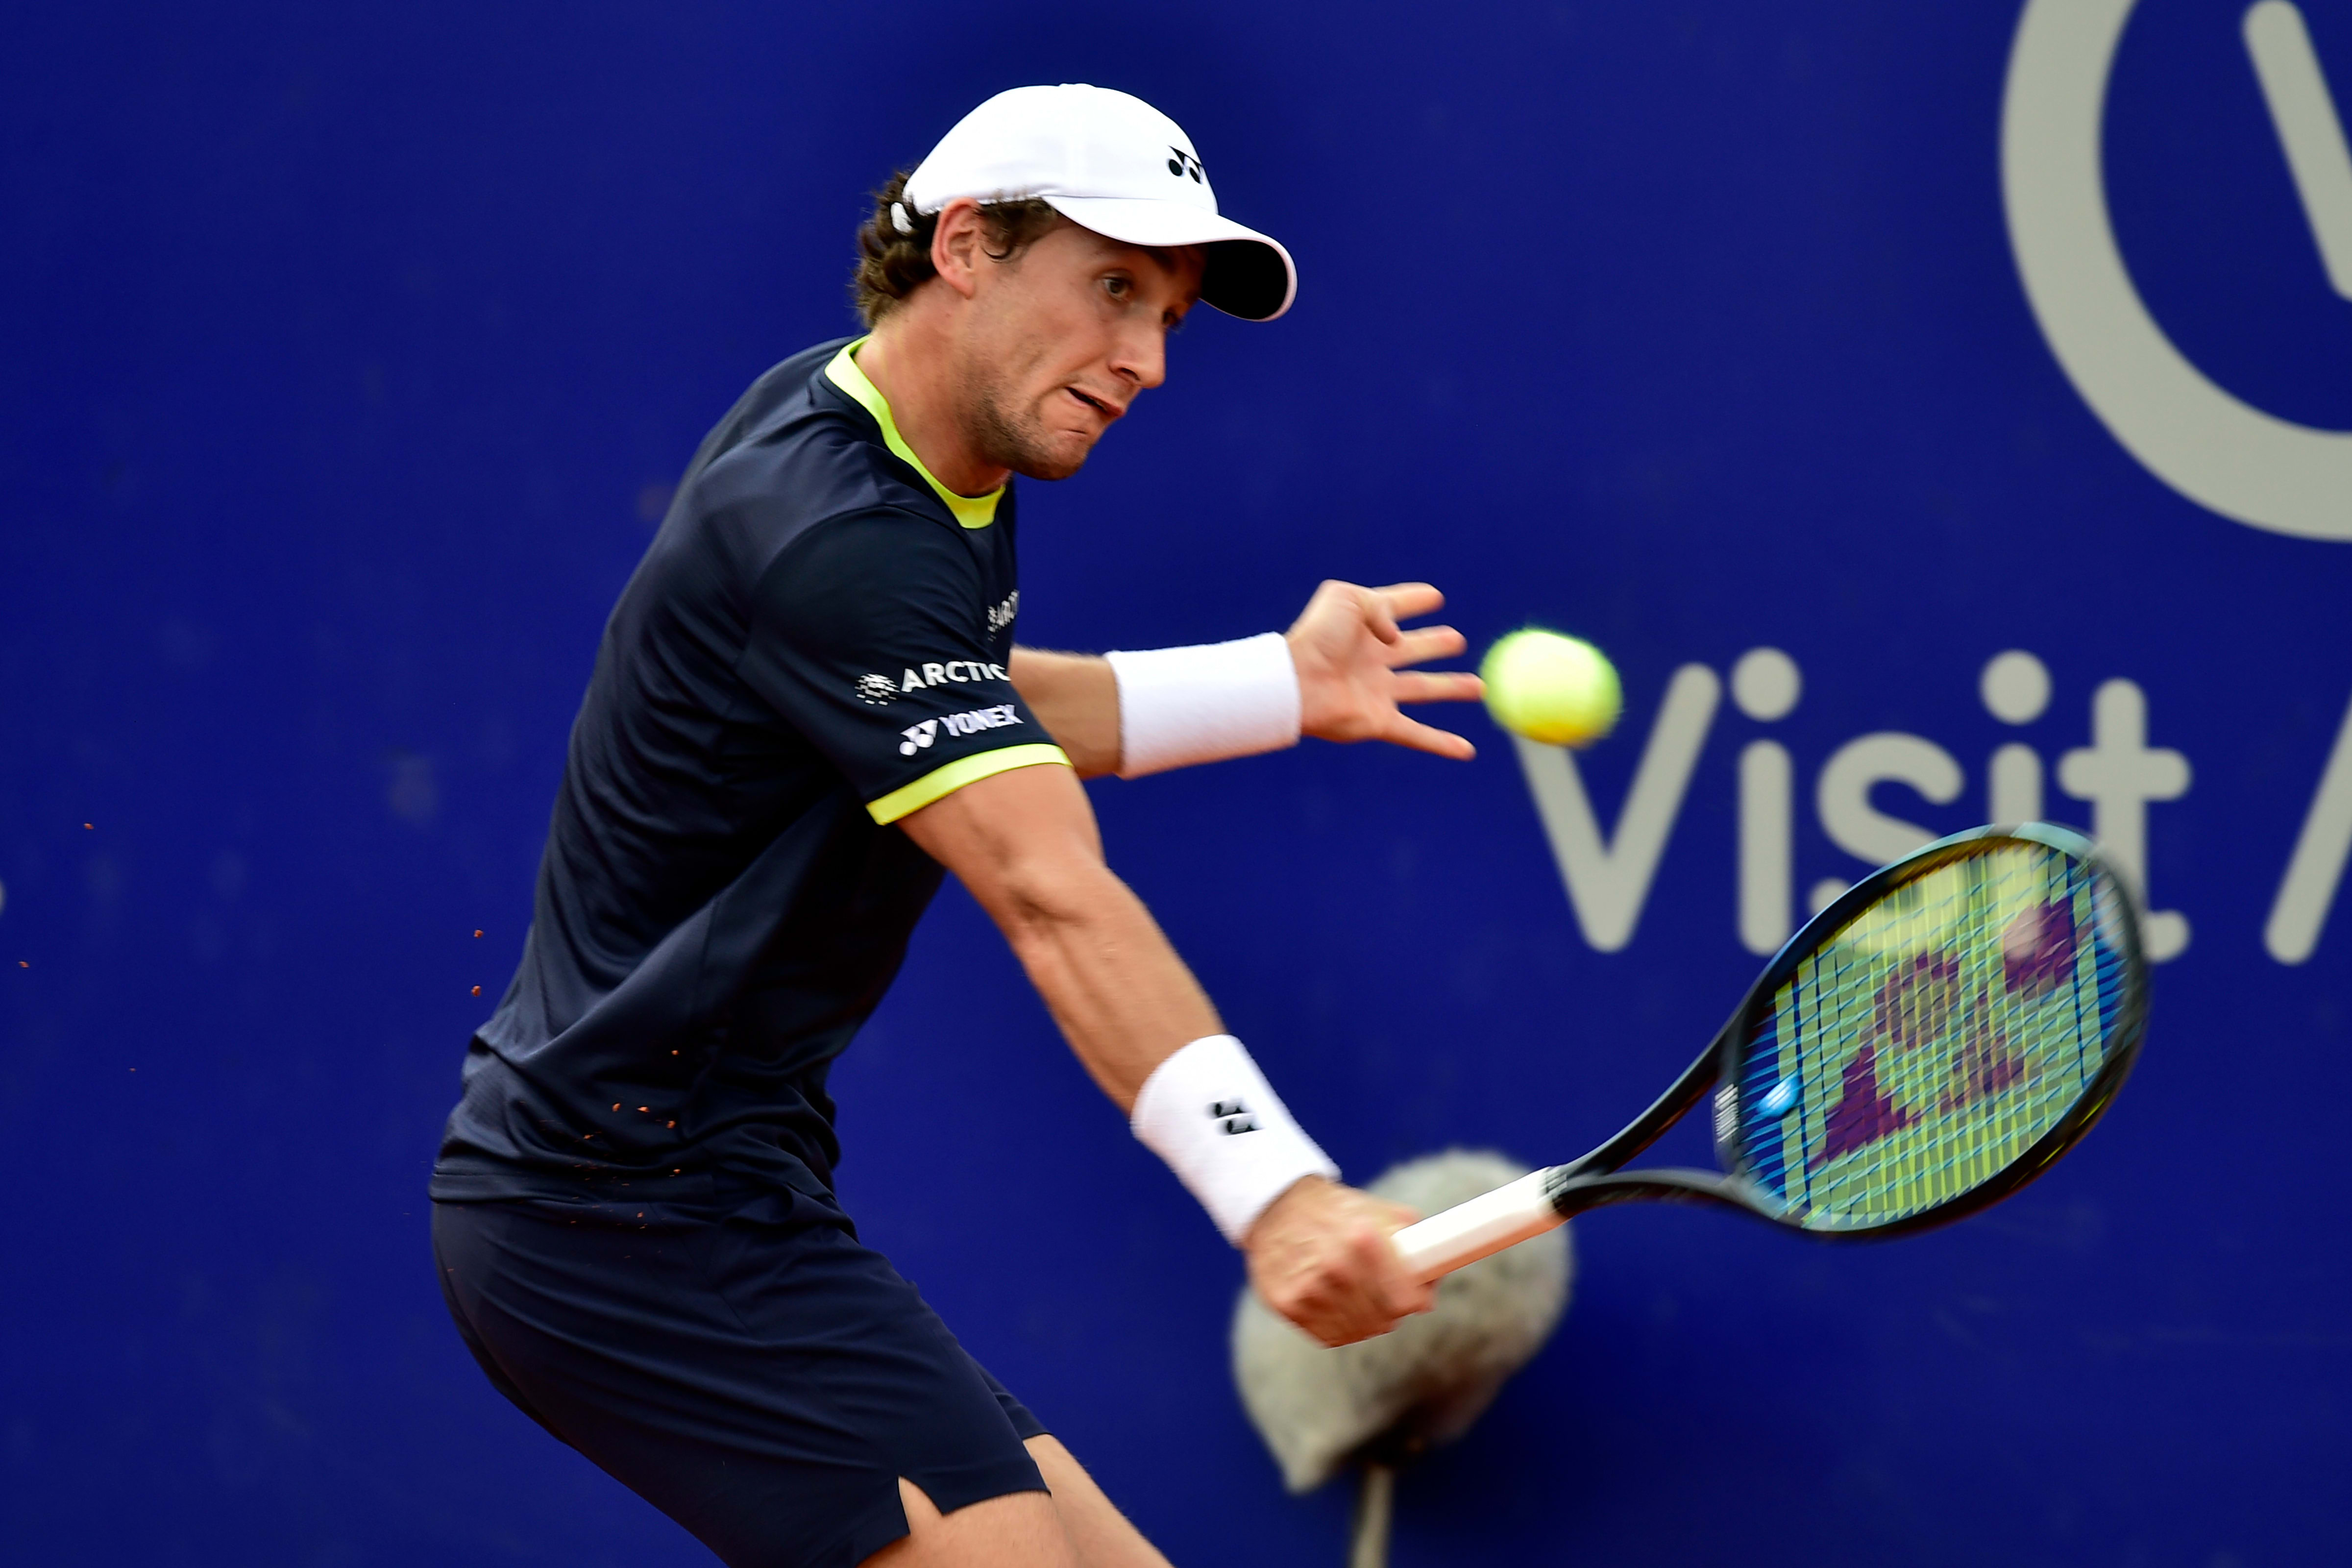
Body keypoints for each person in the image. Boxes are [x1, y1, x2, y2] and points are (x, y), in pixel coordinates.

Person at [429, 84, 1482, 1568]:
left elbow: (958, 693)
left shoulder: (890, 433)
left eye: (1168, 317)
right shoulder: (841, 531)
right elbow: (1051, 894)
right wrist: (1282, 1198)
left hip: (727, 1193)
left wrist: (1275, 686)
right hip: (613, 1217)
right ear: (969, 245)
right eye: (1114, 288)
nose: (1147, 359)